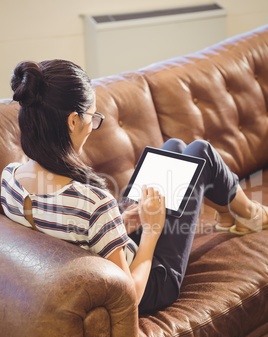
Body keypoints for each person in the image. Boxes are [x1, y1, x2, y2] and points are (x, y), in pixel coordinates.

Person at [1, 60, 268, 315]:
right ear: (72, 121)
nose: (92, 126)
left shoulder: (10, 179)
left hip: (111, 252)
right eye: (93, 118)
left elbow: (73, 229)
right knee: (201, 152)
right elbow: (131, 296)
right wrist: (151, 230)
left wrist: (122, 221)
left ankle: (235, 213)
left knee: (174, 148)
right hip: (152, 283)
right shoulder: (93, 202)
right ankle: (251, 214)